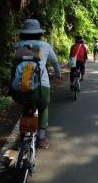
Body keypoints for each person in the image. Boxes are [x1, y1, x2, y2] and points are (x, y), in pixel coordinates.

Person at [12, 19, 61, 149]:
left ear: (23, 33)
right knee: (43, 106)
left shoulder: (18, 46)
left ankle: (22, 138)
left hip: (19, 88)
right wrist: (57, 75)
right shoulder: (45, 46)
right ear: (39, 33)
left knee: (27, 104)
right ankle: (41, 138)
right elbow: (55, 63)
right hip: (41, 87)